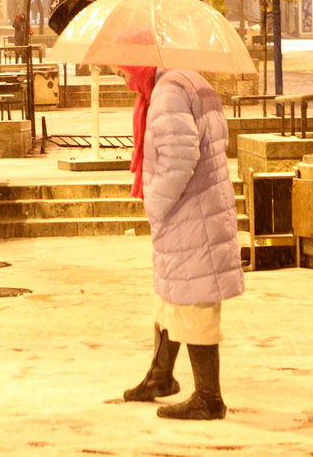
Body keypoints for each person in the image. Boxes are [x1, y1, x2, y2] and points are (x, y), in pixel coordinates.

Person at [119, 64, 243, 421]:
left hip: (191, 211)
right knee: (171, 296)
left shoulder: (168, 91)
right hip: (198, 208)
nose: (119, 75)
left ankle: (208, 398)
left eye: (120, 69)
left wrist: (154, 203)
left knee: (194, 302)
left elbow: (178, 159)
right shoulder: (186, 81)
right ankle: (160, 376)